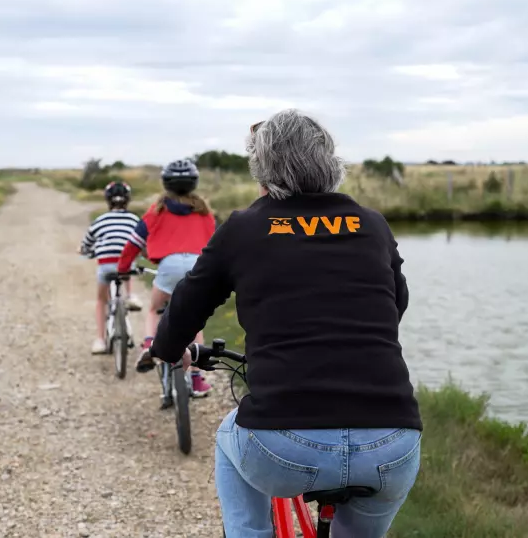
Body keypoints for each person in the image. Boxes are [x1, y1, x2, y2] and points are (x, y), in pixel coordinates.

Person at [147, 109, 421, 538]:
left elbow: (186, 305)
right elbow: (396, 305)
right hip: (391, 444)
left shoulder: (244, 227)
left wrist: (167, 349)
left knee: (228, 437)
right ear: (330, 161)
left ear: (262, 168)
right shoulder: (372, 224)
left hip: (284, 447)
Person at [116, 159, 215, 398]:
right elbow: (217, 244)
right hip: (198, 266)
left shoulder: (156, 211)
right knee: (194, 321)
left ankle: (150, 345)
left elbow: (134, 244)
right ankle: (196, 379)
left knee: (154, 309)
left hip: (169, 265)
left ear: (166, 184)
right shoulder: (205, 213)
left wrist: (123, 268)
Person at [79, 181, 144, 354]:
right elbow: (142, 241)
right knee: (127, 263)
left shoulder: (100, 220)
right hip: (126, 265)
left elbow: (87, 244)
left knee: (101, 300)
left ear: (107, 200)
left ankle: (100, 340)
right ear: (128, 200)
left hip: (106, 265)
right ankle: (130, 295)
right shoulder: (134, 219)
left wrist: (84, 251)